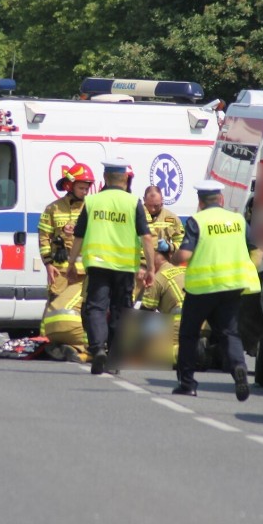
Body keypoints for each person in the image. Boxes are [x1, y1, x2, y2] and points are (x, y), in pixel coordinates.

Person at [171, 179, 260, 400]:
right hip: (232, 286)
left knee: (189, 334)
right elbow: (258, 250)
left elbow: (185, 255)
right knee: (229, 332)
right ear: (221, 199)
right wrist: (250, 269)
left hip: (202, 289)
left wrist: (173, 255)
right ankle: (239, 367)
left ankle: (187, 384)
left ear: (200, 202)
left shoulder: (197, 221)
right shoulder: (238, 220)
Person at [66, 159, 157, 375]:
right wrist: (151, 268)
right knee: (120, 311)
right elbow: (146, 237)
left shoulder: (92, 202)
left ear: (105, 179)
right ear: (125, 179)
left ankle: (98, 348)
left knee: (96, 308)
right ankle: (114, 359)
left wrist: (71, 263)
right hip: (125, 267)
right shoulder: (133, 203)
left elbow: (78, 236)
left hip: (98, 264)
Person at [38, 163, 95, 361]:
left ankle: (85, 345)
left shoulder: (91, 208)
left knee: (85, 309)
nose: (85, 191)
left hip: (83, 272)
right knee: (54, 304)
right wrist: (48, 264)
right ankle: (46, 342)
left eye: (87, 187)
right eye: (82, 187)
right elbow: (44, 236)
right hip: (60, 270)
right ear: (70, 186)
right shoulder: (53, 209)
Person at [139, 240, 186, 365]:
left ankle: (187, 353)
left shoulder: (157, 278)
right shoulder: (183, 270)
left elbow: (145, 313)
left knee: (150, 352)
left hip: (179, 324)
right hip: (204, 324)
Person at [143, 185, 185, 252]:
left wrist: (169, 247)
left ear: (162, 200)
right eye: (150, 205)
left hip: (161, 260)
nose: (153, 209)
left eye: (156, 206)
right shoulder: (135, 215)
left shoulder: (171, 218)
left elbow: (182, 242)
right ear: (144, 200)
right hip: (139, 260)